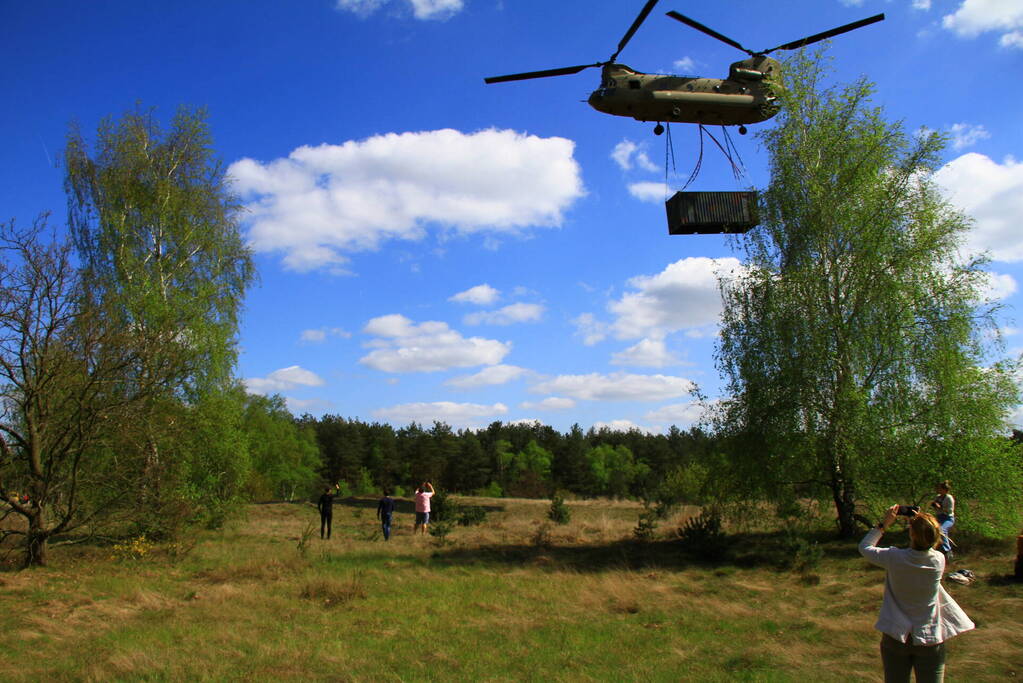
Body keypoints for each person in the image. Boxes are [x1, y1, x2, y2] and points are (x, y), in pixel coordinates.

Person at [859, 505, 974, 682]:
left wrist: (884, 524)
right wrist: (920, 521)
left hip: (896, 635)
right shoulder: (938, 560)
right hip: (929, 635)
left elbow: (865, 547)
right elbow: (927, 541)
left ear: (911, 534)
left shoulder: (894, 557)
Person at [929, 481, 955, 559]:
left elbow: (949, 511)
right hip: (939, 517)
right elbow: (935, 507)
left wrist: (940, 507)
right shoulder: (938, 497)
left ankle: (947, 551)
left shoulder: (949, 498)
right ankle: (932, 549)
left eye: (940, 489)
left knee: (942, 530)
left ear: (944, 490)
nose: (938, 490)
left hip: (947, 518)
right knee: (933, 531)